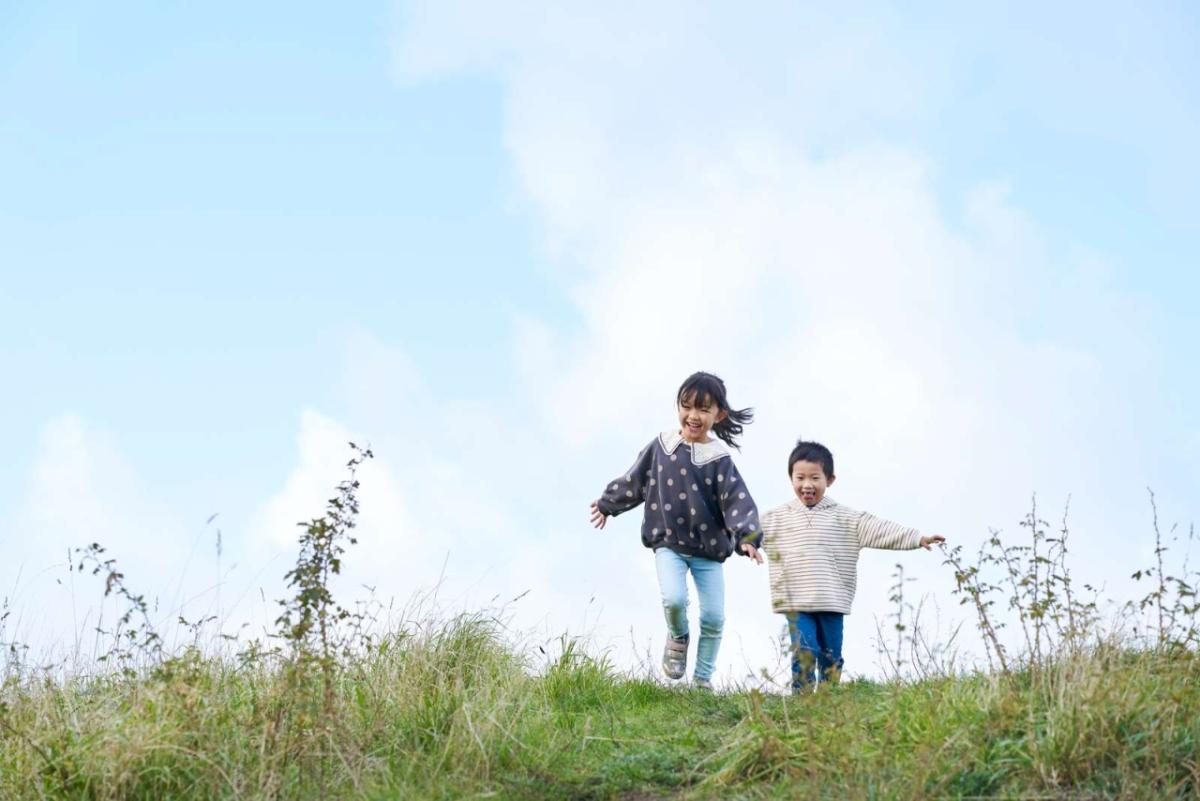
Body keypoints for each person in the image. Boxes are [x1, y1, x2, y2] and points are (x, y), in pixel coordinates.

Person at [590, 371, 764, 690]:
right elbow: (635, 480)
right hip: (668, 543)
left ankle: (702, 681)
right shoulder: (662, 446)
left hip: (709, 553)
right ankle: (678, 636)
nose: (693, 416)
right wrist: (607, 504)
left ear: (718, 415)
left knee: (714, 617)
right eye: (686, 406)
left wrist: (748, 538)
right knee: (673, 599)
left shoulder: (719, 460)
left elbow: (737, 501)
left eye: (703, 409)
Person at [759, 440, 945, 692]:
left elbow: (880, 529)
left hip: (832, 601)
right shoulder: (775, 518)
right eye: (799, 477)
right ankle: (802, 702)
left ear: (830, 480)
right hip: (796, 602)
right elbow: (746, 532)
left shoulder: (845, 517)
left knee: (830, 656)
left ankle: (828, 699)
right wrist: (742, 544)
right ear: (790, 478)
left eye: (815, 477)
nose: (807, 485)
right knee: (804, 650)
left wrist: (917, 538)